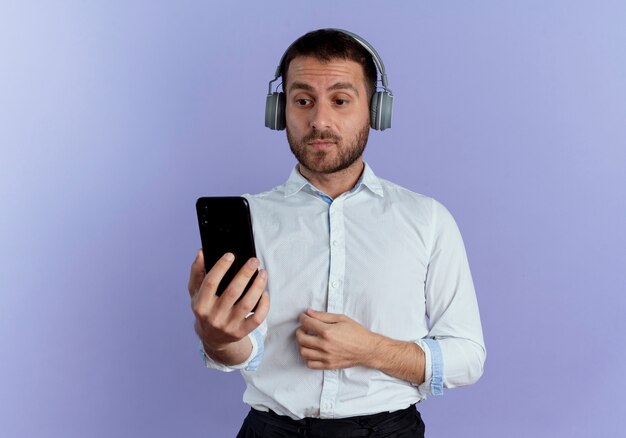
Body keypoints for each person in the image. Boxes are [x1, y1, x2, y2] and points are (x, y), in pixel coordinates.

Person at [187, 28, 486, 437]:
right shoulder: (251, 218)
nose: (320, 121)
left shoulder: (428, 219)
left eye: (341, 100)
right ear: (280, 111)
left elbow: (467, 358)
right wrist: (217, 338)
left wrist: (369, 349)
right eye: (303, 100)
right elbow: (246, 353)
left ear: (375, 112)